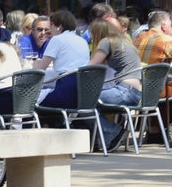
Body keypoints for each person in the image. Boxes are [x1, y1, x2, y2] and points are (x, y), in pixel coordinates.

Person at [88, 19, 140, 152]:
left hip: (124, 91)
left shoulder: (106, 41)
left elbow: (90, 67)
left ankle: (112, 131)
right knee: (89, 104)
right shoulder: (123, 41)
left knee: (83, 102)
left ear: (98, 33)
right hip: (135, 91)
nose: (90, 37)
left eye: (91, 33)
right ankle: (100, 139)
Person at [32, 10, 90, 107]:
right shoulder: (82, 41)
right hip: (84, 95)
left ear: (59, 26)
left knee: (29, 98)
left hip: (65, 95)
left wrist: (34, 64)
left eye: (52, 25)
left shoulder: (57, 39)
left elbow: (40, 69)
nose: (50, 29)